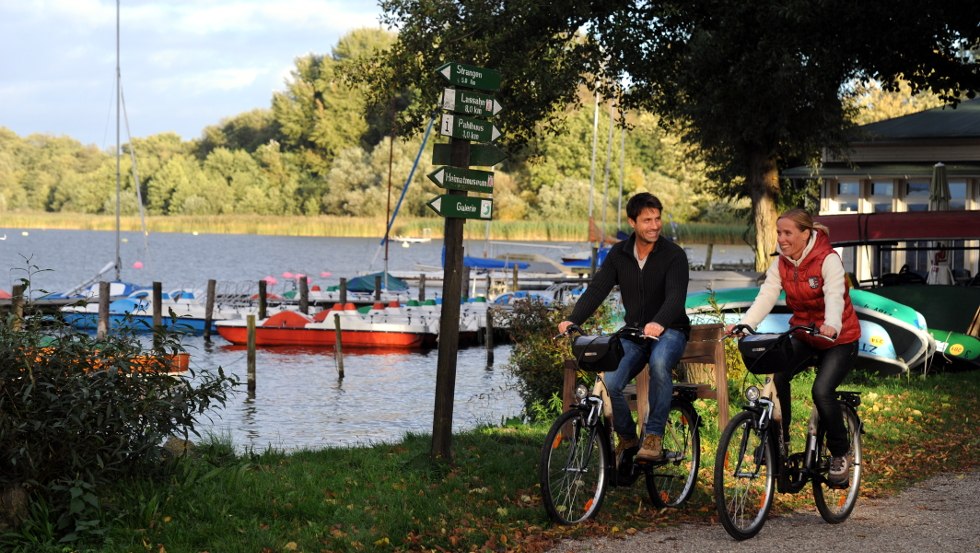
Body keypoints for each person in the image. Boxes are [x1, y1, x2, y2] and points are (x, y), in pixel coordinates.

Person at [726, 208, 860, 485]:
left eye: (787, 233)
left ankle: (839, 452)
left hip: (839, 338)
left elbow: (835, 294)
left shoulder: (828, 260)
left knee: (822, 391)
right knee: (778, 375)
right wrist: (745, 324)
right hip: (805, 334)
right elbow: (766, 296)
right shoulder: (782, 264)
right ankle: (781, 440)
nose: (781, 239)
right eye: (778, 232)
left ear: (805, 234)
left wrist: (832, 323)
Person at [559, 192, 690, 463]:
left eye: (657, 219)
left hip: (671, 330)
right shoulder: (619, 254)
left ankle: (653, 436)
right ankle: (629, 440)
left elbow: (676, 297)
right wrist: (574, 319)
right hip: (634, 333)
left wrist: (659, 322)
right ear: (632, 222)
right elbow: (597, 289)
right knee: (611, 382)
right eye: (647, 220)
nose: (654, 225)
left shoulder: (674, 255)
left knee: (659, 364)